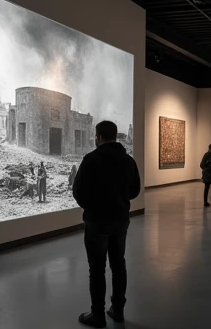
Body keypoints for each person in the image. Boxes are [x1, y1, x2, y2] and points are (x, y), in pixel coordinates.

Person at [73, 120, 141, 328]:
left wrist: (92, 208)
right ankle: (118, 311)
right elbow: (135, 190)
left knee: (97, 269)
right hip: (120, 221)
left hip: (96, 222)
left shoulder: (91, 159)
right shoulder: (128, 161)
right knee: (118, 264)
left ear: (99, 136)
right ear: (114, 135)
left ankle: (98, 315)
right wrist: (120, 202)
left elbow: (78, 192)